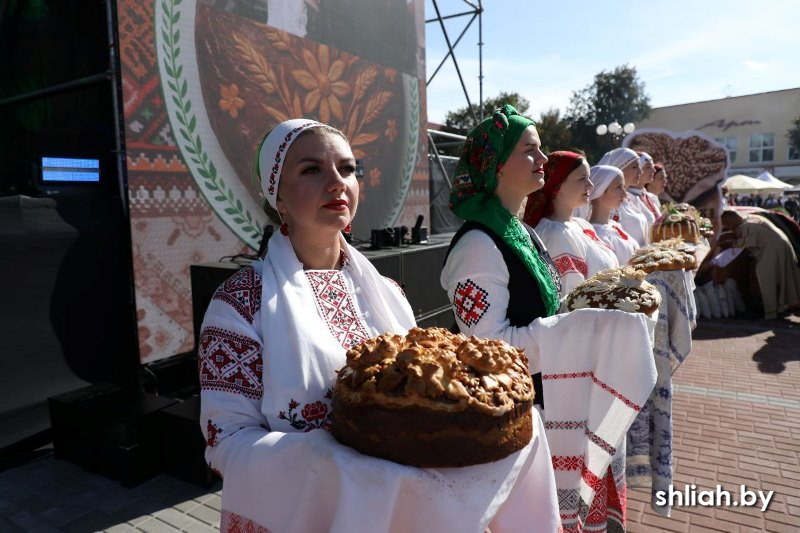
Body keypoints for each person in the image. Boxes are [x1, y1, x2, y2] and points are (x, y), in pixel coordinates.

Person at [441, 105, 561, 411]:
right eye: (530, 150)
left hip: (535, 394)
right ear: (497, 165)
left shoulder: (521, 231)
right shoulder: (477, 246)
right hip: (504, 408)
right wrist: (568, 332)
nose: (543, 158)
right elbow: (487, 347)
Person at [522, 151, 619, 294]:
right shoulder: (555, 234)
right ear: (557, 185)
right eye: (582, 178)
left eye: (589, 178)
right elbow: (571, 296)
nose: (590, 185)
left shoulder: (582, 224)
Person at [720, 209, 800, 319]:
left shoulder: (746, 227)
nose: (727, 227)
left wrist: (724, 243)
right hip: (780, 246)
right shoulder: (751, 218)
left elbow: (738, 246)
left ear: (733, 219)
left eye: (727, 223)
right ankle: (780, 306)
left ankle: (771, 312)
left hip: (772, 250)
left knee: (765, 277)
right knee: (781, 278)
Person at [586, 164, 641, 265]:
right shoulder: (595, 234)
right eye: (618, 187)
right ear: (600, 191)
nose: (624, 194)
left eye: (623, 187)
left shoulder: (613, 225)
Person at [598, 147, 650, 246]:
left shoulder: (632, 199)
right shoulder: (610, 203)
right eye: (635, 167)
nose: (640, 171)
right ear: (619, 167)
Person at [628, 151, 660, 223]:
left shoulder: (651, 197)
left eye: (653, 166)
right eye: (648, 167)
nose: (654, 170)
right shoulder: (628, 199)